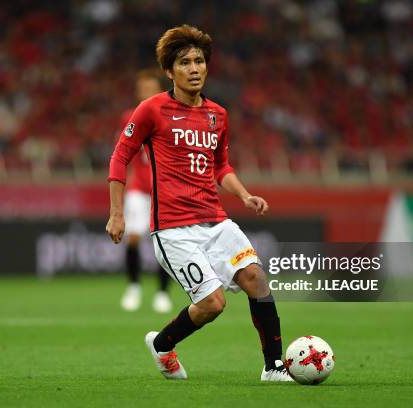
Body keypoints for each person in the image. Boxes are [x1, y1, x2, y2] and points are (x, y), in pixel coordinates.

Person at [106, 25, 292, 382]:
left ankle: (273, 366)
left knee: (257, 279)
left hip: (216, 221)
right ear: (169, 71)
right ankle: (162, 343)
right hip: (174, 229)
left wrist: (244, 194)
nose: (194, 68)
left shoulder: (217, 115)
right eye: (185, 62)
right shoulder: (152, 110)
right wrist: (117, 213)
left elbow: (221, 166)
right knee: (213, 304)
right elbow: (119, 158)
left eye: (200, 61)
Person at [119, 69, 173, 314]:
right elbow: (123, 153)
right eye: (143, 89)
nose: (146, 93)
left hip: (163, 189)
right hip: (139, 188)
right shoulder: (130, 117)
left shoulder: (172, 117)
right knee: (133, 237)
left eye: (151, 88)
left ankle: (162, 293)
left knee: (165, 243)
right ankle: (134, 287)